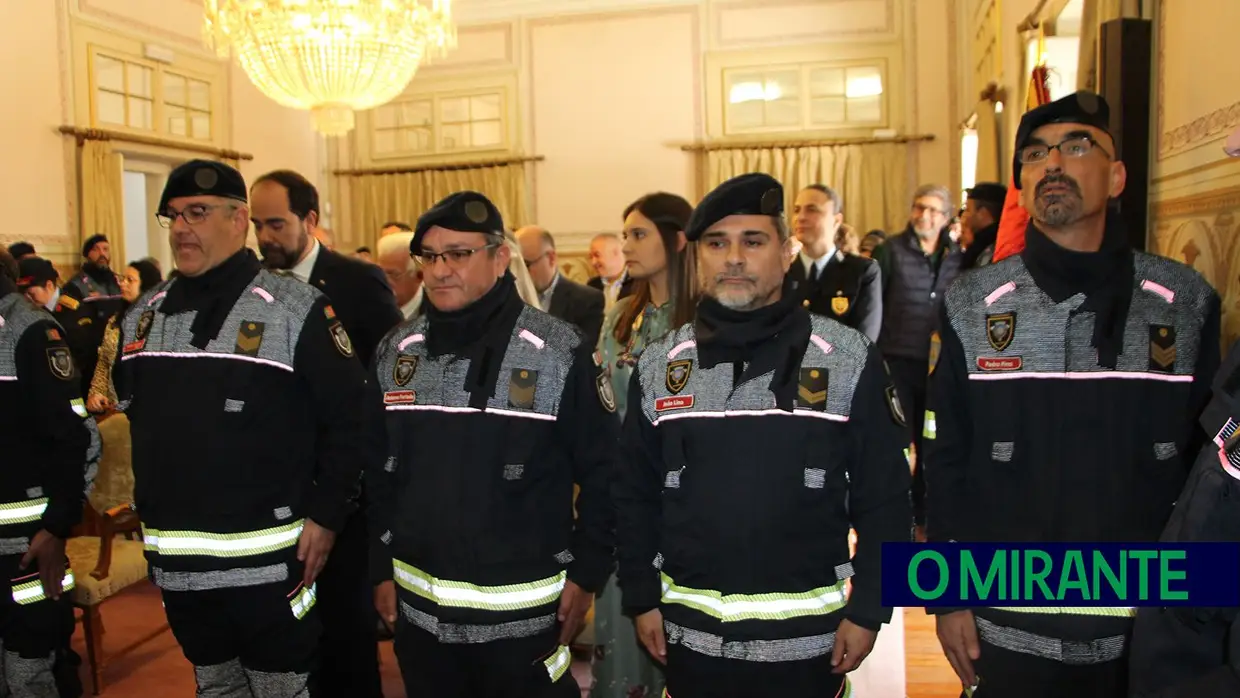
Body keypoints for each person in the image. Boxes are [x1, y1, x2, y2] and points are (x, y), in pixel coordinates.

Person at [923, 91, 1221, 698]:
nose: (1052, 163)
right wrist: (946, 597)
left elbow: (1209, 475)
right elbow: (943, 458)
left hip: (1144, 628)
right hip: (1007, 629)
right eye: (1034, 154)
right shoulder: (971, 305)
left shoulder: (1184, 303)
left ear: (1116, 177)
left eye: (1076, 146)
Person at [615, 173, 912, 698]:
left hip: (808, 649)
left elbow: (885, 500)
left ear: (786, 252)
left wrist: (870, 608)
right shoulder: (662, 365)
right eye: (716, 243)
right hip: (691, 646)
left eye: (752, 241)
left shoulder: (846, 359)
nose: (733, 258)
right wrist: (640, 597)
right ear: (697, 257)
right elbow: (634, 494)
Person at [113, 159, 375, 695]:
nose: (182, 227)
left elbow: (353, 422)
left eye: (198, 213)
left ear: (238, 220)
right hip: (181, 564)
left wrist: (327, 517)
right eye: (174, 216)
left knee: (282, 686)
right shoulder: (144, 316)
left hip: (268, 566)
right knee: (216, 686)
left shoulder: (295, 310)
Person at [367, 191, 618, 697]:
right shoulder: (398, 351)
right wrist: (378, 567)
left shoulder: (557, 351)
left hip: (523, 617)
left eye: (459, 254)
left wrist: (586, 574)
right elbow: (375, 472)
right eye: (430, 257)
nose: (440, 270)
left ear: (500, 258)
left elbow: (607, 474)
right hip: (422, 615)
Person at [594, 192, 697, 698]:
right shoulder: (620, 315)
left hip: (687, 499)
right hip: (627, 498)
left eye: (639, 235)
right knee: (628, 644)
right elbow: (603, 399)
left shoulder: (705, 317)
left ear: (677, 241)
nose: (626, 246)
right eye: (624, 235)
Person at [0, 247, 99, 697]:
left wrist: (57, 525)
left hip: (25, 544)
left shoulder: (30, 330)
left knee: (30, 672)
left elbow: (76, 437)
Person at [251, 169, 403, 368]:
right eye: (258, 226)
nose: (264, 238)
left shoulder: (360, 280)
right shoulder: (253, 280)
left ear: (310, 221)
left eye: (276, 225)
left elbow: (393, 360)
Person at [788, 184, 882, 341]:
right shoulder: (780, 274)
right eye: (797, 210)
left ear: (836, 220)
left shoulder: (861, 272)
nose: (801, 217)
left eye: (812, 210)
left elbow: (863, 343)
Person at [86, 259, 162, 413]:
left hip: (150, 409)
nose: (122, 284)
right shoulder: (115, 321)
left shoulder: (161, 321)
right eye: (122, 279)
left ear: (147, 285)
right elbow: (104, 363)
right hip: (116, 407)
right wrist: (96, 393)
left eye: (130, 280)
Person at [15, 257, 96, 394]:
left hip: (75, 387)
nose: (27, 299)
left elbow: (82, 356)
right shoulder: (29, 311)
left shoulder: (75, 311)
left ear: (49, 286)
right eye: (23, 294)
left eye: (31, 293)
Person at [515, 226, 606, 344]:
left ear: (551, 258)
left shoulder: (586, 300)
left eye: (526, 265)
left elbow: (581, 354)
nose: (520, 274)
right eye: (516, 266)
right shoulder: (509, 298)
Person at [959, 183, 1007, 269]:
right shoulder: (1004, 241)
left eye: (968, 210)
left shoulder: (984, 250)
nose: (964, 215)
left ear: (982, 214)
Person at [587, 233, 634, 312]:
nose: (593, 262)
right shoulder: (592, 285)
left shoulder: (639, 283)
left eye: (597, 255)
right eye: (591, 257)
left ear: (616, 253)